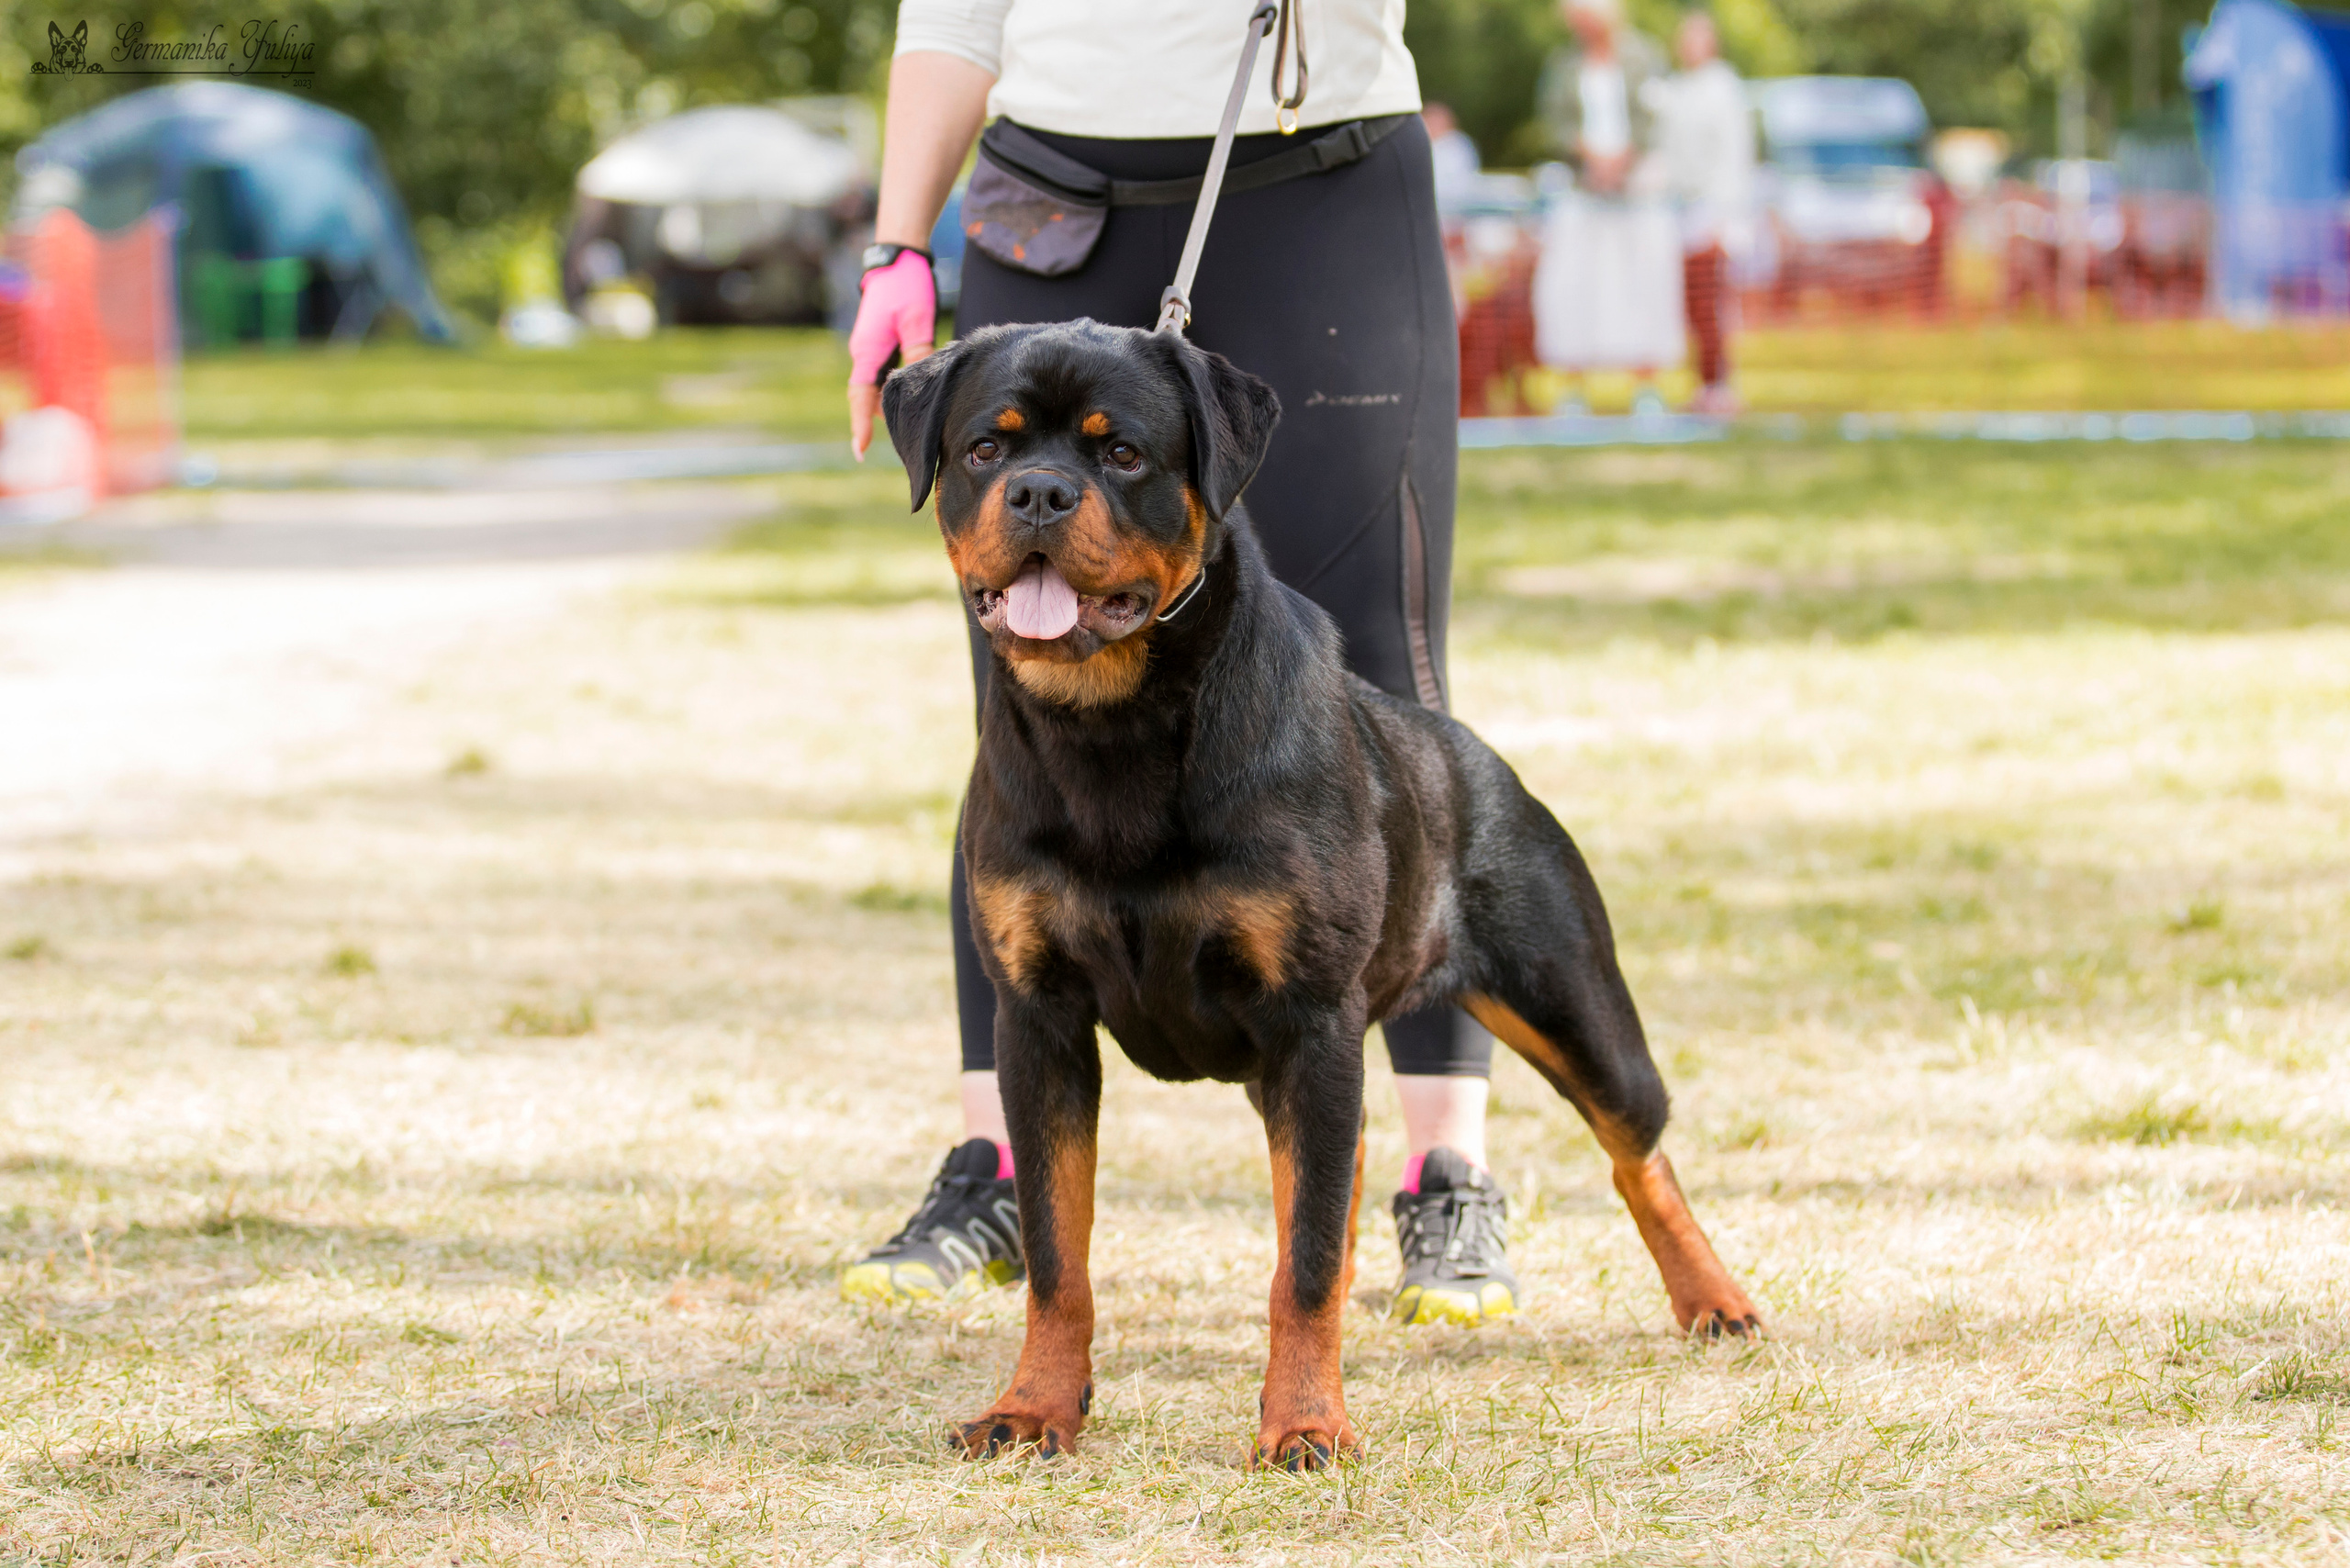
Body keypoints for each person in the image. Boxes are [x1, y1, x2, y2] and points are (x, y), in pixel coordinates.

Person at [837, 1, 1519, 1328]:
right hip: (1046, 194)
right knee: (1021, 677)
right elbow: (954, 14)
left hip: (1318, 183)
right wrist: (898, 242)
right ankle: (997, 1164)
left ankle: (1450, 1173)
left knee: (1378, 661)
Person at [1532, 0, 1681, 414]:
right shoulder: (1563, 64)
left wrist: (1622, 162)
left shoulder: (1644, 56)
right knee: (1575, 285)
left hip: (1638, 193)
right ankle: (1573, 391)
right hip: (1582, 190)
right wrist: (1589, 157)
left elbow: (1655, 116)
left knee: (1643, 283)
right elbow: (1554, 122)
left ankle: (1647, 389)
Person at [1656, 9, 1755, 413]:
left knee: (1713, 301)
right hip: (1680, 210)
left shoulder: (1723, 89)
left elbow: (1733, 156)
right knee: (1693, 305)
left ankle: (1721, 384)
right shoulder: (1676, 89)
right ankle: (1704, 383)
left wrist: (1723, 215)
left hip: (1714, 211)